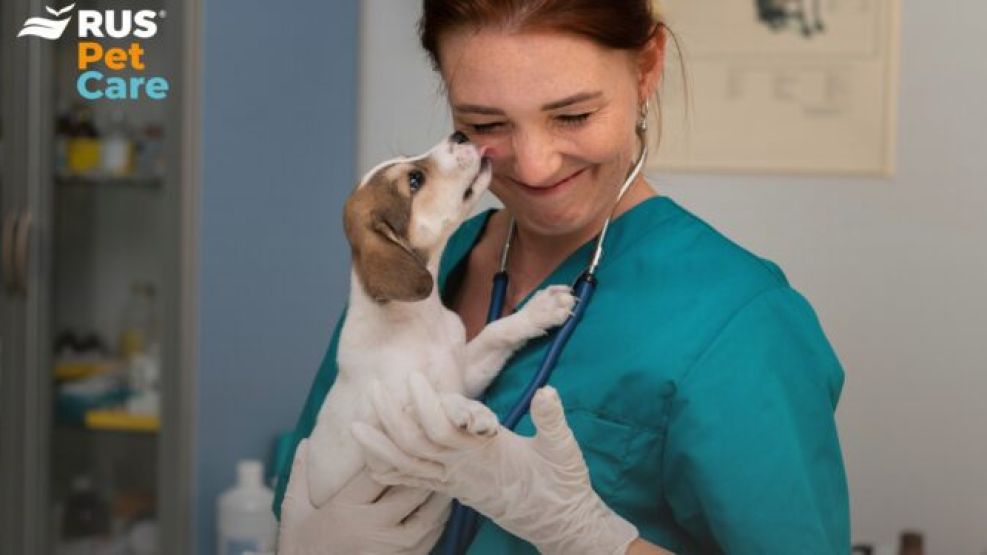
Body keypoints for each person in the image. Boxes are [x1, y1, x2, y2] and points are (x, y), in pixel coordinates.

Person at [274, 1, 850, 553]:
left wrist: (594, 540)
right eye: (485, 122)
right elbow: (310, 475)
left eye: (573, 115)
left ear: (647, 68)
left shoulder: (742, 323)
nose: (535, 163)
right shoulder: (414, 280)